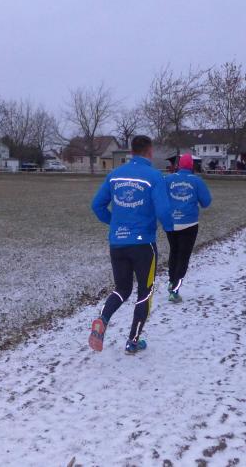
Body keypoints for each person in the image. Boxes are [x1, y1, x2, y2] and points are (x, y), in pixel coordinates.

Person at [89, 135, 173, 354]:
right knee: (145, 291)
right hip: (143, 244)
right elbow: (164, 211)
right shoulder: (154, 176)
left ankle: (103, 318)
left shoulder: (114, 175)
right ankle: (133, 341)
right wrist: (171, 229)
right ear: (150, 152)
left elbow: (97, 205)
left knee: (122, 289)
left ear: (131, 152)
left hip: (117, 243)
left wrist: (114, 223)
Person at [164, 153, 212, 303]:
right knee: (183, 257)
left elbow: (160, 198)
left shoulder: (168, 179)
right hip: (189, 224)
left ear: (178, 165)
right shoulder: (196, 181)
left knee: (174, 252)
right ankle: (175, 290)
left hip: (171, 222)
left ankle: (171, 281)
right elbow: (206, 202)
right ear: (192, 166)